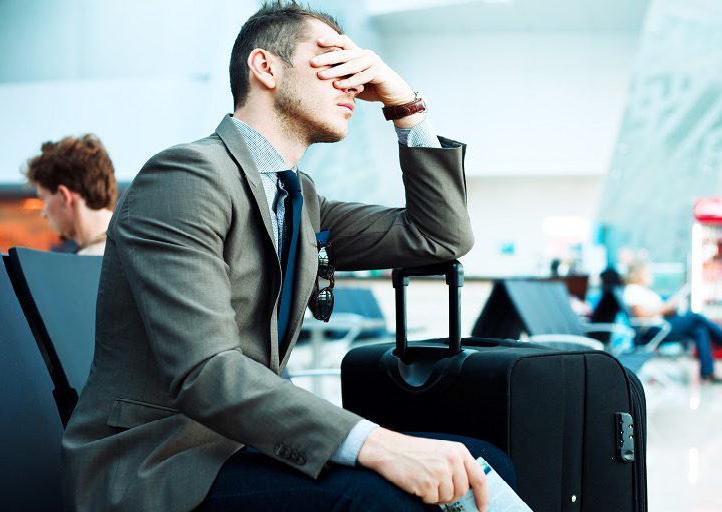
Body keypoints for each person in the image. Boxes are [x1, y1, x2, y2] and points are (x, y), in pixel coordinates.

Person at [62, 3, 514, 511]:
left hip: (248, 444)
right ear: (266, 67)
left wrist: (406, 107)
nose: (351, 83)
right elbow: (205, 370)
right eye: (332, 62)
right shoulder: (187, 175)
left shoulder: (299, 200)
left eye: (356, 67)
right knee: (386, 498)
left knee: (482, 462)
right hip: (165, 463)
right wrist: (379, 444)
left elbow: (439, 236)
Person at [623, 261, 722, 382]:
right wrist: (666, 307)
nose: (650, 276)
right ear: (638, 274)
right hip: (653, 330)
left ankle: (707, 373)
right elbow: (640, 314)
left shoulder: (645, 291)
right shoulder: (632, 290)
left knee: (699, 330)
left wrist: (671, 307)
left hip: (662, 325)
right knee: (695, 317)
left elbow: (661, 311)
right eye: (647, 273)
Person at [25, 134, 117, 255]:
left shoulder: (90, 262)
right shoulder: (135, 247)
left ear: (64, 196)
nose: (44, 213)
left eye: (43, 199)